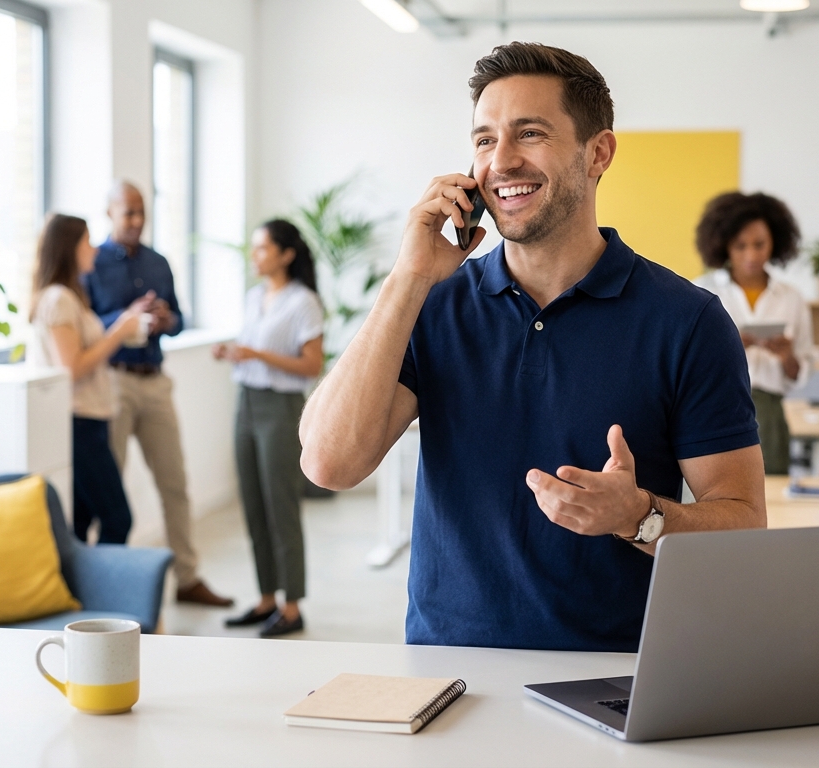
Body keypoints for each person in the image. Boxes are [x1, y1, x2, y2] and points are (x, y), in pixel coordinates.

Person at [298, 42, 767, 653]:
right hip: (450, 669)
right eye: (485, 140)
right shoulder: (434, 303)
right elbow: (329, 464)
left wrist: (639, 516)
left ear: (598, 152)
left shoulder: (687, 321)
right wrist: (408, 277)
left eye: (531, 133)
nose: (502, 162)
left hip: (618, 673)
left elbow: (742, 524)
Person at [84, 181, 233, 607]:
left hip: (155, 380)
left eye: (140, 212)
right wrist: (126, 317)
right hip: (112, 382)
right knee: (109, 490)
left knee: (175, 482)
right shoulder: (91, 262)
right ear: (108, 213)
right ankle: (105, 584)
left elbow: (181, 320)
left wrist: (167, 318)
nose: (135, 221)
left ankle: (187, 578)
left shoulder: (159, 262)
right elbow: (87, 325)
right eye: (127, 213)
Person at [214, 220, 325, 638]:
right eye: (254, 248)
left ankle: (292, 606)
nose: (254, 255)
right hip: (246, 401)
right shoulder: (254, 297)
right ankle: (265, 598)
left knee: (281, 506)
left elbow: (311, 366)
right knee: (253, 503)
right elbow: (252, 352)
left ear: (286, 254)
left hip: (281, 408)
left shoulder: (304, 302)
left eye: (262, 248)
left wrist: (256, 353)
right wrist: (234, 354)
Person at [29, 213, 146, 544]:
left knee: (80, 521)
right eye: (87, 241)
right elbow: (72, 367)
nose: (94, 249)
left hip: (88, 418)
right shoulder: (59, 299)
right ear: (69, 248)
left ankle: (84, 593)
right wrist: (119, 332)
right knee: (117, 518)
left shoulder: (68, 297)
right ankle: (104, 591)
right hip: (79, 421)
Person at [692, 192, 813, 475]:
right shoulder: (702, 292)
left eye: (760, 244)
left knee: (772, 503)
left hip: (769, 415)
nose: (751, 255)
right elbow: (689, 364)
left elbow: (800, 372)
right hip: (714, 410)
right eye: (740, 246)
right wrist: (731, 346)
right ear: (724, 246)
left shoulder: (791, 298)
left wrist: (786, 355)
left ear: (775, 241)